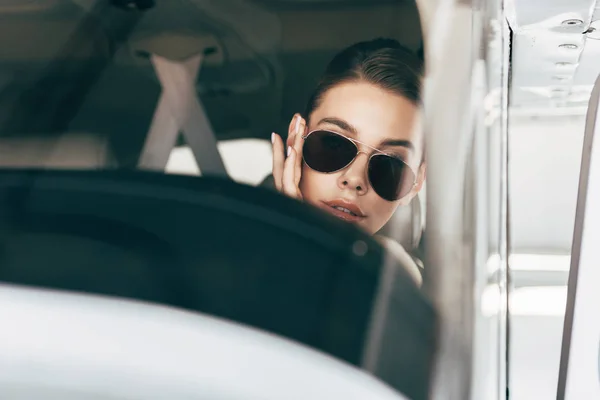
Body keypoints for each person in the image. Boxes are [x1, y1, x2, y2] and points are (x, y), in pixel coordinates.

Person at [270, 38, 426, 283]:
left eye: (390, 163)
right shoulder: (222, 243)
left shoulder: (394, 282)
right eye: (334, 144)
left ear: (416, 184)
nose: (355, 179)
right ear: (295, 139)